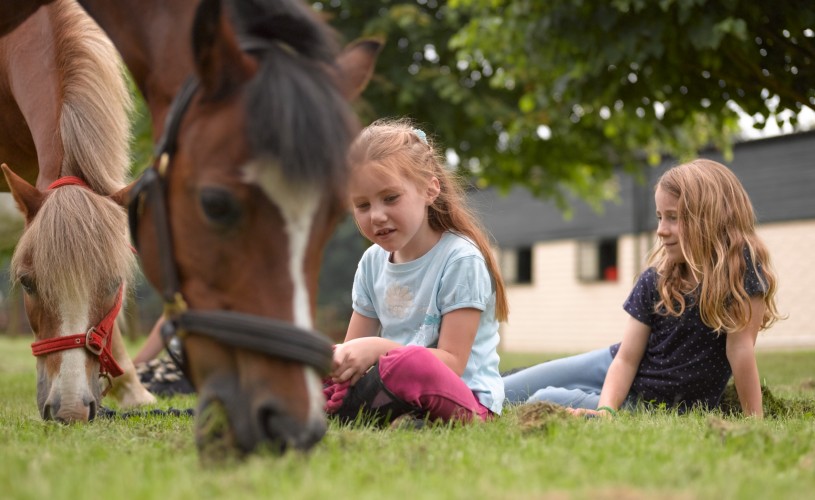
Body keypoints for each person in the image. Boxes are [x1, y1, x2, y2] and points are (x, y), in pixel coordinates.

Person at [503, 159, 782, 418]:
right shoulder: (656, 279)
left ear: (708, 219)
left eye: (673, 217)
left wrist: (753, 422)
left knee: (540, 398)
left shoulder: (741, 273)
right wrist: (607, 410)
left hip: (646, 402)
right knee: (506, 389)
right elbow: (626, 358)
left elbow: (741, 350)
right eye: (660, 217)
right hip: (614, 364)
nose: (661, 229)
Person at [323, 118, 508, 426]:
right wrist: (335, 363)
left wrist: (377, 348)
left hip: (468, 401)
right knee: (319, 359)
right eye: (362, 205)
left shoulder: (460, 259)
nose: (377, 216)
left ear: (430, 189)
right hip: (400, 391)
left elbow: (452, 363)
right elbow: (353, 350)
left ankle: (396, 416)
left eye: (390, 198)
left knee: (406, 365)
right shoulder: (371, 262)